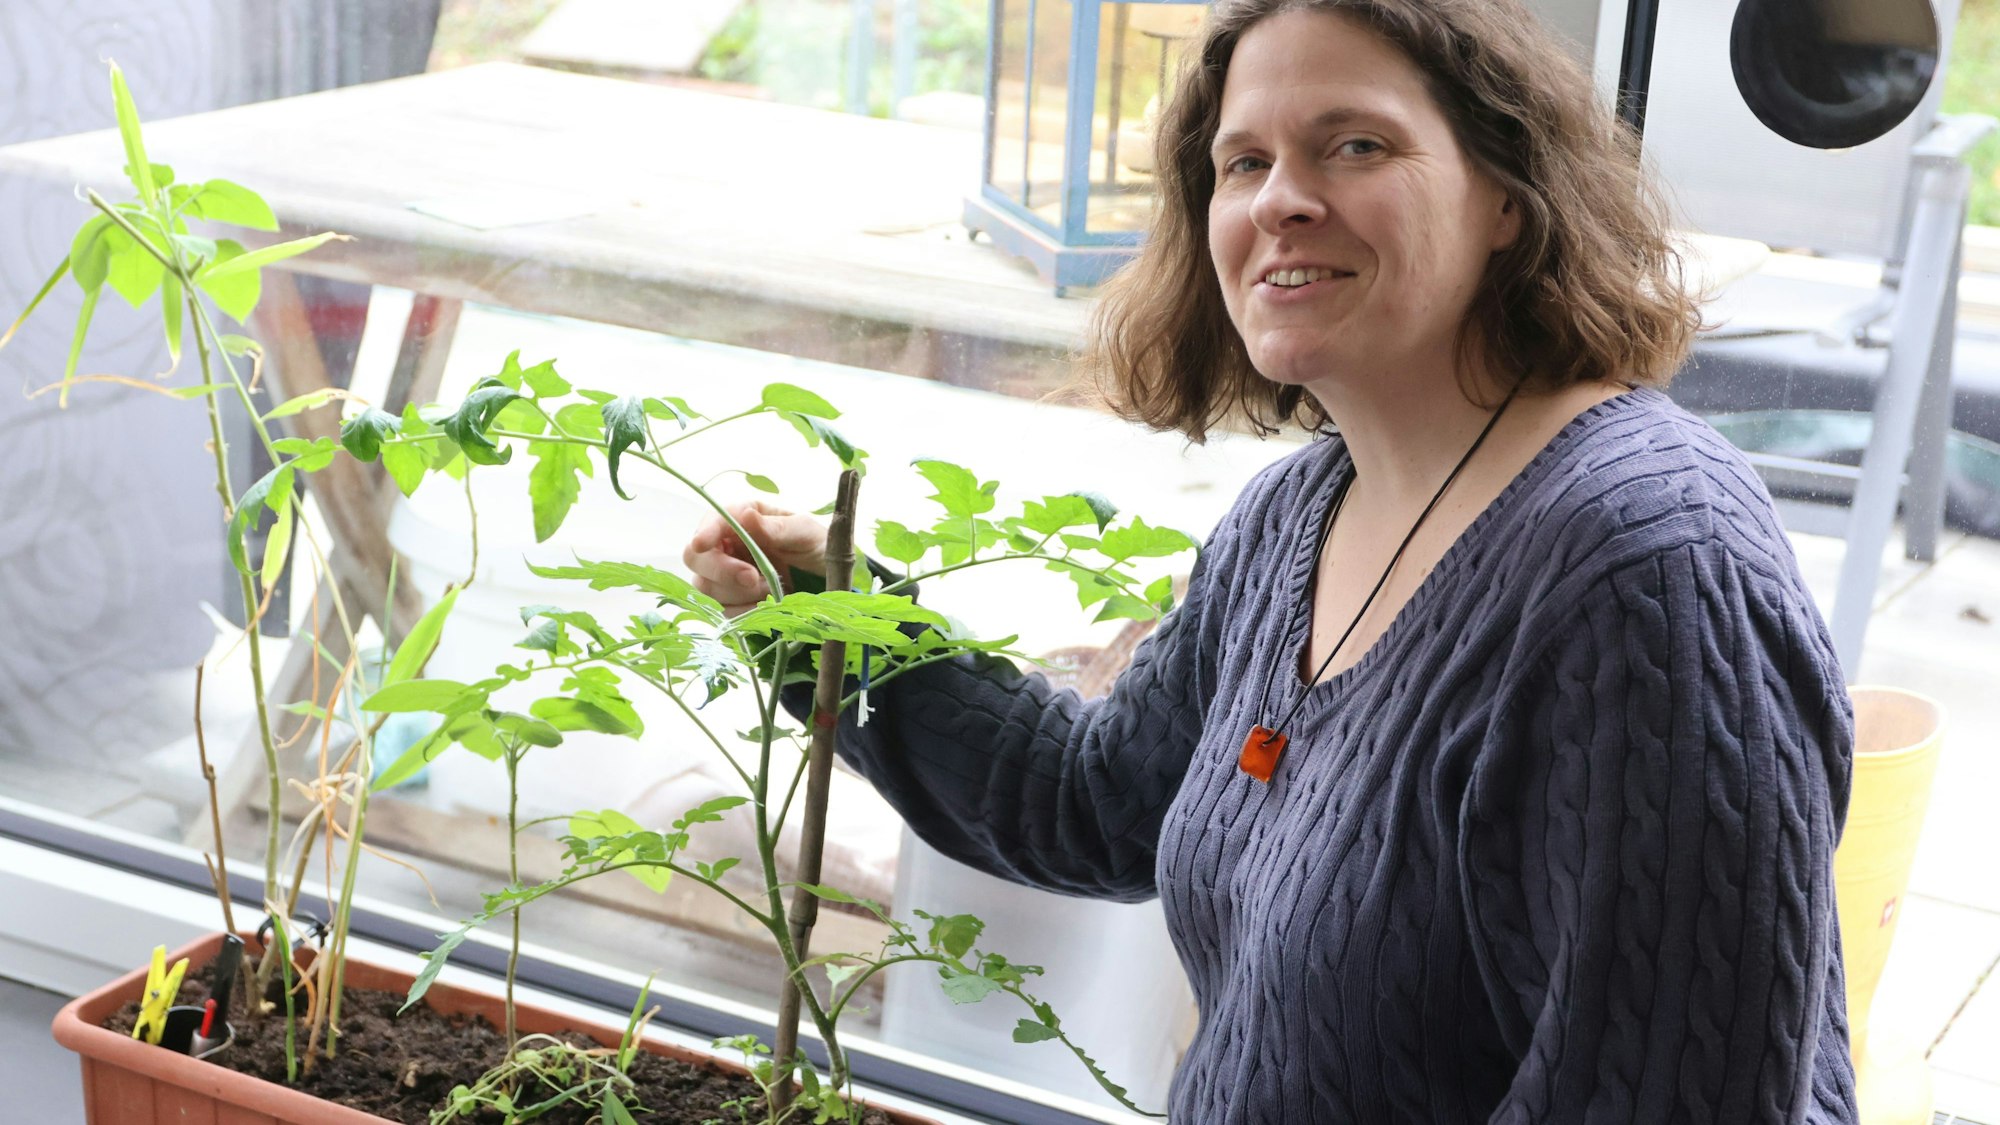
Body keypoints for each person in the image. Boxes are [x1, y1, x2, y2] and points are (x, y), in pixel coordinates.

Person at [684, 0, 1858, 1120]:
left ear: (1507, 191)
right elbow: (1095, 803)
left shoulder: (1645, 577)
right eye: (1242, 164)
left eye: (1353, 144)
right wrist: (834, 625)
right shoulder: (1295, 514)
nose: (1282, 201)